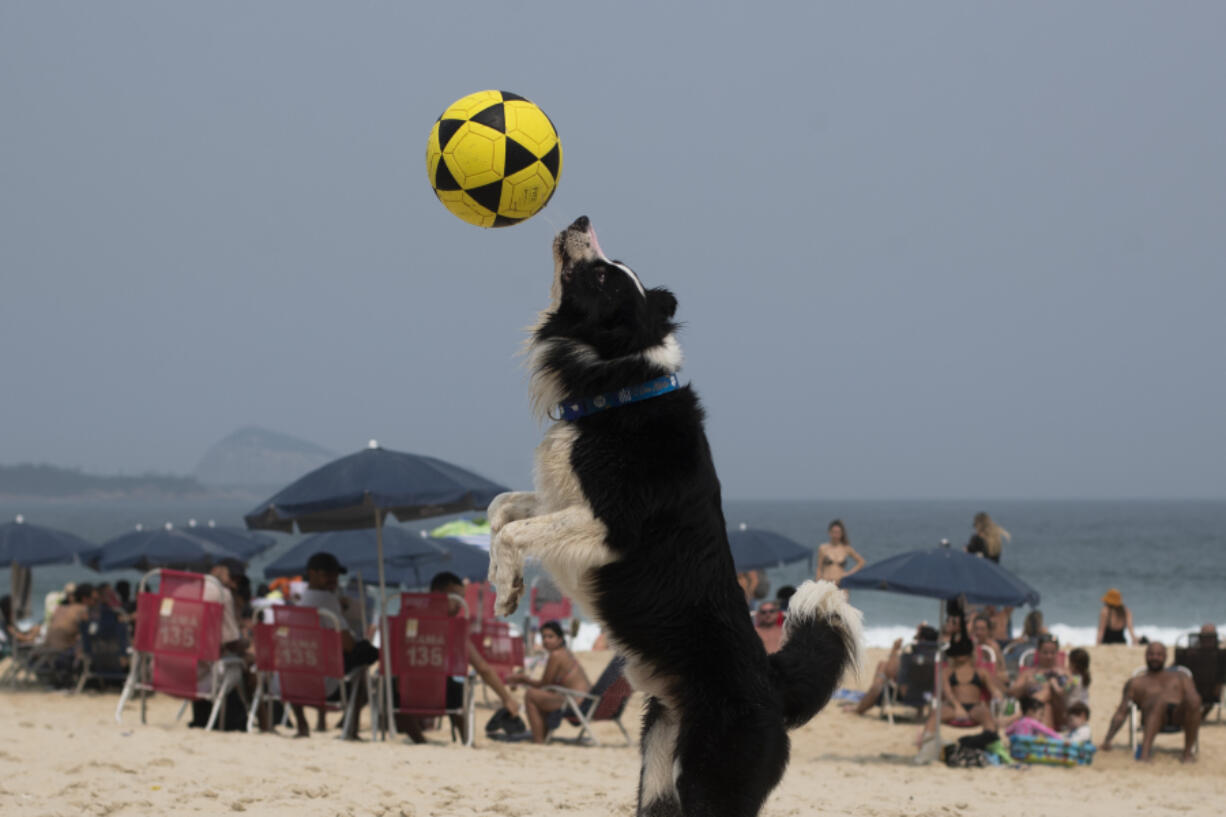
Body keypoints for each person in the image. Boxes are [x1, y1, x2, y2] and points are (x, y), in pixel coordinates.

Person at [400, 572, 521, 744]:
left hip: (400, 695)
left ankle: (419, 740)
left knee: (389, 683)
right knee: (456, 689)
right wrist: (507, 698)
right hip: (441, 697)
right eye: (456, 598)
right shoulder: (453, 629)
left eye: (461, 599)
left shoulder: (405, 618)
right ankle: (467, 741)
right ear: (437, 594)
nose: (460, 605)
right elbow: (482, 667)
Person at [293, 551, 379, 739]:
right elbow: (347, 644)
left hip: (293, 681)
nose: (333, 579)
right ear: (312, 573)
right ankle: (351, 728)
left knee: (361, 653)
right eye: (327, 574)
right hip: (324, 682)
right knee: (368, 655)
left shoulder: (300, 601)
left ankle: (302, 724)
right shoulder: (327, 600)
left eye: (335, 575)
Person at [1101, 642, 1201, 762]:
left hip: (1178, 715)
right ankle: (1145, 754)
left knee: (1194, 699)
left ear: (1165, 656)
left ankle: (1187, 754)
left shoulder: (1180, 676)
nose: (1154, 657)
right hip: (1151, 716)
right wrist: (1108, 739)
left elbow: (1194, 699)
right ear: (1145, 656)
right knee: (1158, 701)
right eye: (1151, 654)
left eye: (1159, 654)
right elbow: (1122, 711)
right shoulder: (1136, 682)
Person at [505, 620, 591, 743]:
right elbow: (548, 686)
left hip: (577, 703)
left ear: (560, 639)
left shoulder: (556, 655)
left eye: (550, 636)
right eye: (543, 637)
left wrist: (523, 679)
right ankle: (541, 735)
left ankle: (539, 739)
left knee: (531, 695)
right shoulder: (564, 653)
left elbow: (543, 684)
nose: (546, 640)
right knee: (542, 695)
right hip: (584, 700)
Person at [916, 624, 1003, 745]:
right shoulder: (947, 672)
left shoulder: (981, 672)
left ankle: (991, 745)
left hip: (974, 707)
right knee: (935, 715)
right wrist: (958, 707)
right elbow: (948, 693)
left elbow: (993, 689)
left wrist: (997, 694)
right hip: (952, 706)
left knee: (986, 715)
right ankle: (924, 746)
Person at [843, 623, 939, 716]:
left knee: (881, 673)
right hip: (925, 697)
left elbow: (890, 671)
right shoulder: (936, 659)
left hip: (906, 696)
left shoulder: (911, 659)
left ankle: (859, 709)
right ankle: (919, 712)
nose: (914, 640)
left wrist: (894, 649)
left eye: (916, 638)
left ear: (922, 640)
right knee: (884, 667)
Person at [1007, 634, 1069, 730]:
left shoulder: (1064, 672)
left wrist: (1055, 685)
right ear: (1038, 652)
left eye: (1052, 653)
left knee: (1048, 689)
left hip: (1059, 714)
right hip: (1039, 715)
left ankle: (1013, 719)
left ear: (1057, 653)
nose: (1049, 656)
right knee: (1046, 706)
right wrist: (1026, 686)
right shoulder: (1028, 673)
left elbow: (1071, 695)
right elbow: (1012, 694)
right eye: (1045, 652)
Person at [816, 519, 865, 586]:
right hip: (826, 583)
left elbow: (861, 562)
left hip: (840, 584)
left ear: (842, 534)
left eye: (838, 532)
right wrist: (817, 584)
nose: (835, 535)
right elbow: (819, 568)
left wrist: (849, 573)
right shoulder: (823, 548)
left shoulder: (846, 548)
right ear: (829, 532)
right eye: (834, 532)